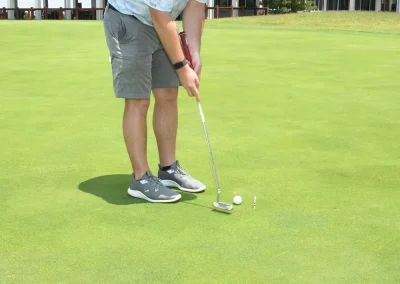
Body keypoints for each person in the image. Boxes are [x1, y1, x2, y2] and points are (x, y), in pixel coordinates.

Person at [103, 0, 207, 203]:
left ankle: (168, 169)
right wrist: (182, 66)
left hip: (163, 20)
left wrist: (193, 54)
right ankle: (140, 179)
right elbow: (159, 15)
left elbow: (195, 6)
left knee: (168, 93)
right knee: (138, 100)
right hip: (129, 18)